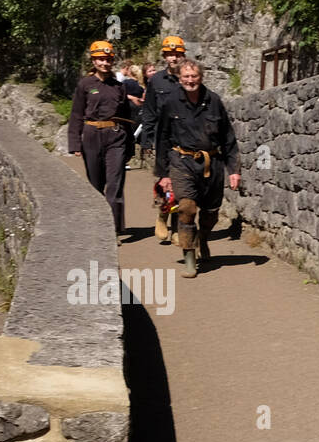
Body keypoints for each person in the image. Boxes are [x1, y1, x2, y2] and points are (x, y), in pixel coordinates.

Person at [154, 59, 239, 278]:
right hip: (182, 161)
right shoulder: (171, 102)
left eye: (194, 76)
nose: (190, 81)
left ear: (201, 77)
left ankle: (203, 237)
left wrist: (234, 169)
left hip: (212, 164)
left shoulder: (214, 101)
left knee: (211, 213)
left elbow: (228, 137)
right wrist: (162, 174)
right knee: (187, 208)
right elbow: (162, 138)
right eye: (186, 77)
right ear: (180, 78)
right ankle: (189, 256)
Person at [67, 39, 137, 234]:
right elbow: (76, 114)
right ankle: (97, 226)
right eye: (100, 59)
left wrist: (130, 144)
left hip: (116, 136)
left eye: (108, 59)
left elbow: (126, 116)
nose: (104, 63)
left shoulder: (118, 86)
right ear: (93, 61)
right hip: (91, 136)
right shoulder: (85, 85)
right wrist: (75, 143)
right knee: (95, 184)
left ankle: (113, 230)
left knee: (115, 183)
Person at [142, 36, 188, 241]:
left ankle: (178, 226)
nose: (174, 57)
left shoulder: (188, 78)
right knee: (164, 182)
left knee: (182, 183)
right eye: (170, 54)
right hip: (162, 139)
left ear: (183, 55)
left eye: (177, 53)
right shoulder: (156, 81)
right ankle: (162, 215)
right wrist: (147, 139)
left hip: (184, 138)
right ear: (164, 56)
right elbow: (149, 111)